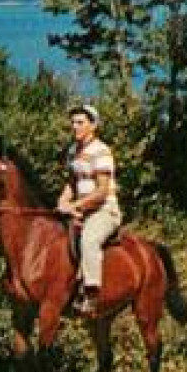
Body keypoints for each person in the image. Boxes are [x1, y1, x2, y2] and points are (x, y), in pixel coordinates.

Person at [55, 104, 122, 316]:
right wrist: (62, 202)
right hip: (82, 210)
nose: (75, 127)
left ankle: (91, 293)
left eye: (80, 122)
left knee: (89, 239)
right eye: (73, 123)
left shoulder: (101, 151)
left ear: (93, 125)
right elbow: (72, 184)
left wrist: (75, 205)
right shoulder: (73, 152)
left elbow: (102, 191)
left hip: (104, 210)